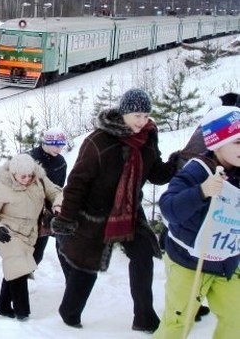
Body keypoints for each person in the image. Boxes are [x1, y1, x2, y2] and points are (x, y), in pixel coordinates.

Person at [51, 88, 178, 332]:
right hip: (94, 213)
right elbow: (77, 182)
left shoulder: (148, 137)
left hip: (129, 211)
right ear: (124, 113)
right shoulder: (98, 141)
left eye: (146, 115)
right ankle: (69, 313)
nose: (142, 121)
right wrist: (67, 219)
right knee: (86, 267)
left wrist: (175, 164)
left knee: (142, 257)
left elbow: (156, 174)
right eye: (137, 116)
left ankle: (144, 317)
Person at [153, 106, 240, 339]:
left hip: (227, 262)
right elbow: (169, 208)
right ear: (217, 144)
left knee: (236, 320)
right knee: (178, 323)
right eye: (238, 142)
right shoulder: (197, 171)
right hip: (188, 261)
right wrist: (201, 191)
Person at [0, 153, 62, 321]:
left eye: (30, 175)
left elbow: (56, 192)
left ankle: (3, 306)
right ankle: (22, 313)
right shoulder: (2, 187)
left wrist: (57, 205)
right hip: (7, 232)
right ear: (13, 174)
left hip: (31, 232)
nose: (28, 179)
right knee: (19, 266)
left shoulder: (39, 179)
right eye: (23, 176)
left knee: (17, 267)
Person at [29, 127, 68, 265]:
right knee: (35, 255)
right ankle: (15, 283)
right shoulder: (31, 158)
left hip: (52, 211)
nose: (60, 149)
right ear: (46, 142)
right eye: (57, 145)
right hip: (33, 213)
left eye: (62, 145)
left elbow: (59, 187)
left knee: (65, 248)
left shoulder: (61, 162)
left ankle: (72, 284)